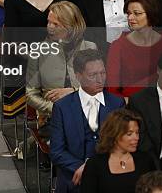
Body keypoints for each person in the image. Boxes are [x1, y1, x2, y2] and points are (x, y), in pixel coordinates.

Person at [49, 49, 125, 193]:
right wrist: (79, 168)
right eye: (93, 75)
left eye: (103, 73)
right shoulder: (62, 107)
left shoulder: (117, 104)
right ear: (78, 76)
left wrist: (93, 168)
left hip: (108, 179)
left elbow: (121, 145)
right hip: (73, 180)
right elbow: (57, 151)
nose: (100, 79)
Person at [26, 1, 97, 122]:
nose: (50, 27)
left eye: (56, 24)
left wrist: (74, 91)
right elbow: (30, 94)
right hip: (51, 116)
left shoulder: (90, 48)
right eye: (48, 22)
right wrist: (55, 109)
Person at [107, 0, 162, 99]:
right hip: (129, 103)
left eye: (137, 13)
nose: (130, 18)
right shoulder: (118, 46)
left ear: (150, 14)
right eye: (128, 13)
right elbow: (112, 88)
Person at [80, 109, 156, 193]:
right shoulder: (95, 164)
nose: (136, 138)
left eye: (137, 133)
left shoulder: (146, 160)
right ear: (114, 134)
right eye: (129, 134)